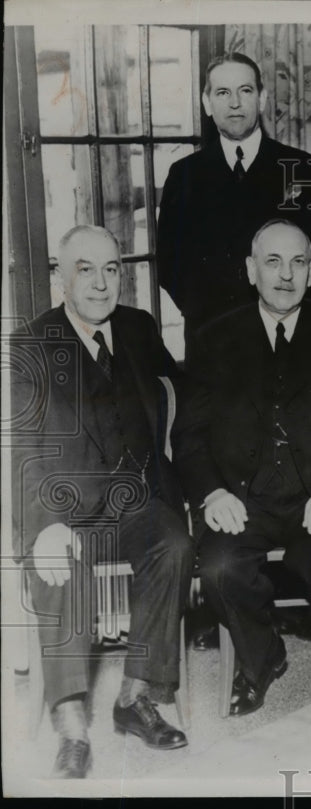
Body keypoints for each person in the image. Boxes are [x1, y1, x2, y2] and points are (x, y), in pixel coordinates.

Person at [175, 219, 311, 741]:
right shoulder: (213, 338)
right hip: (243, 498)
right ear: (252, 271)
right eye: (273, 262)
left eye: (297, 263)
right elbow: (189, 435)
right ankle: (263, 656)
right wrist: (212, 492)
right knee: (220, 568)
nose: (285, 275)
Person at [11, 226, 193, 778]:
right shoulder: (31, 347)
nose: (100, 282)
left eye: (111, 268)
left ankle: (135, 699)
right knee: (61, 564)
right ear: (60, 278)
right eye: (85, 269)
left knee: (175, 543)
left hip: (137, 500)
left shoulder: (137, 328)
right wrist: (44, 525)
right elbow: (22, 451)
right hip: (67, 510)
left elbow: (183, 393)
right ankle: (71, 726)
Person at [157, 52, 311, 344]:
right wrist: (205, 315)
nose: (235, 103)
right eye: (223, 92)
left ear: (261, 100)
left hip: (286, 335)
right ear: (207, 103)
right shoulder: (184, 174)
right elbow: (169, 264)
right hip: (211, 339)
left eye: (245, 91)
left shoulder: (301, 167)